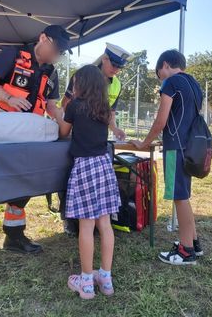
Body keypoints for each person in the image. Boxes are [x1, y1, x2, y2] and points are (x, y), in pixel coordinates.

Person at [0, 25, 72, 266]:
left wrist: (65, 121)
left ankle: (14, 237)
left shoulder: (51, 72)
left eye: (61, 52)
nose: (57, 55)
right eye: (56, 48)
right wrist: (9, 98)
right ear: (43, 38)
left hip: (27, 138)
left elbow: (51, 106)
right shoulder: (12, 55)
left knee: (22, 185)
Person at [130, 49, 203, 265]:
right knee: (183, 197)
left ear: (165, 65)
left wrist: (144, 142)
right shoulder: (195, 85)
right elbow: (183, 117)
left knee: (179, 197)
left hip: (175, 149)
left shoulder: (170, 83)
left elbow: (162, 120)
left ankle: (185, 251)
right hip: (190, 147)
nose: (159, 77)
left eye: (158, 73)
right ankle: (194, 244)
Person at [55, 65, 121, 299]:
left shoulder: (74, 106)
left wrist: (54, 110)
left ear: (81, 85)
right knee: (105, 224)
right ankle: (105, 277)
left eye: (75, 83)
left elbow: (63, 132)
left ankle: (85, 283)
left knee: (86, 225)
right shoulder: (104, 108)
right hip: (104, 165)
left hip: (84, 167)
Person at [60, 43, 130, 235]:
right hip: (76, 136)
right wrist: (69, 120)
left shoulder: (116, 84)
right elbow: (66, 103)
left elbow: (110, 112)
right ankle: (69, 219)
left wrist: (114, 129)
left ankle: (97, 219)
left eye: (119, 67)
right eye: (114, 64)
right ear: (104, 58)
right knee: (68, 178)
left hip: (95, 144)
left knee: (96, 185)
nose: (116, 70)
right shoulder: (83, 75)